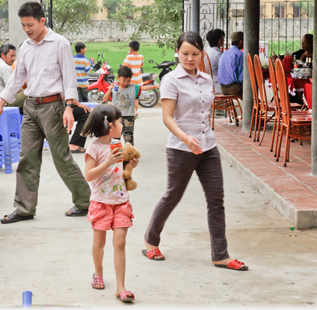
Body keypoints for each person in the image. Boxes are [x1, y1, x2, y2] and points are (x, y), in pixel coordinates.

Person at [143, 31, 248, 271]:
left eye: (195, 54)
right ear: (177, 53)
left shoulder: (206, 79)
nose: (190, 58)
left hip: (208, 147)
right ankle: (151, 239)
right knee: (173, 196)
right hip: (181, 148)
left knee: (216, 200)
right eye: (185, 53)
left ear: (202, 54)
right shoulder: (171, 80)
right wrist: (185, 137)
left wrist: (200, 136)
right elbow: (167, 117)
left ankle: (220, 255)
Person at [0, 1, 91, 223]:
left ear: (42, 20)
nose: (26, 29)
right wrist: (0, 103)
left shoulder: (60, 44)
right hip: (30, 107)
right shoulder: (25, 47)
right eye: (23, 25)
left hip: (54, 108)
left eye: (30, 24)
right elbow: (17, 79)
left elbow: (69, 78)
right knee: (26, 158)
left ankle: (85, 202)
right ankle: (24, 208)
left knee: (61, 159)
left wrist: (69, 108)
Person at [81, 104, 139, 302]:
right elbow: (88, 175)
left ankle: (121, 287)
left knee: (120, 242)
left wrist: (129, 165)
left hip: (121, 201)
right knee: (99, 244)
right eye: (120, 121)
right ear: (110, 125)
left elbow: (120, 171)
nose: (122, 124)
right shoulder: (94, 148)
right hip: (101, 203)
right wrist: (106, 163)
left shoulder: (118, 144)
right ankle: (98, 273)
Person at [103, 66, 159, 145]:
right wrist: (109, 89)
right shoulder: (115, 87)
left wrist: (155, 86)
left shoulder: (133, 87)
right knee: (115, 138)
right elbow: (105, 99)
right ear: (118, 77)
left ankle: (130, 155)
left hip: (129, 117)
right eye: (124, 80)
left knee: (129, 136)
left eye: (128, 81)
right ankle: (115, 154)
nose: (126, 83)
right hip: (116, 117)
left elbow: (144, 88)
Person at [0, 43, 27, 114]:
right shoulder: (4, 67)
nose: (13, 59)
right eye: (11, 56)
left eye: (14, 56)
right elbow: (14, 88)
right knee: (30, 91)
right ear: (3, 55)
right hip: (3, 104)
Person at [218, 31, 244, 96]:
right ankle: (256, 105)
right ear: (241, 42)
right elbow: (242, 77)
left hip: (223, 89)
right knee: (251, 86)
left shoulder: (224, 54)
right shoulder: (240, 55)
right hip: (234, 89)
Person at [205, 28, 225, 93]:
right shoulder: (218, 55)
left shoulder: (206, 52)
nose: (224, 40)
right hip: (217, 87)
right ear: (219, 41)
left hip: (207, 85)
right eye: (223, 39)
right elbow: (225, 71)